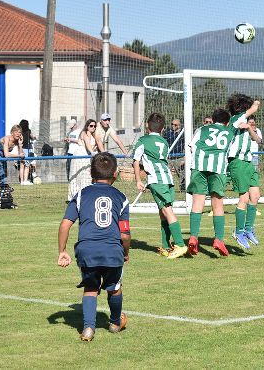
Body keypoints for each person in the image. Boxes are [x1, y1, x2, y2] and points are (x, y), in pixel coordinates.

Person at [57, 152, 130, 341]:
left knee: (91, 288)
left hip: (86, 249)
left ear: (91, 173)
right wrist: (126, 252)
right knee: (114, 287)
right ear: (115, 174)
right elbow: (124, 234)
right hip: (112, 249)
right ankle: (115, 322)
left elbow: (65, 224)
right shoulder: (121, 197)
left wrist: (62, 251)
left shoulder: (81, 194)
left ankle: (88, 329)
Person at [187, 106, 257, 257]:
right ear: (226, 122)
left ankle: (193, 237)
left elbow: (192, 147)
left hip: (198, 168)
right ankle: (218, 239)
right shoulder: (229, 131)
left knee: (197, 204)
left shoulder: (202, 129)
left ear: (212, 120)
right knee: (217, 205)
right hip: (218, 169)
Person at [132, 113, 188, 259]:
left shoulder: (143, 141)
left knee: (167, 211)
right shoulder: (164, 142)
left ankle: (180, 245)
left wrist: (138, 180)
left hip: (157, 179)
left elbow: (136, 160)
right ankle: (165, 246)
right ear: (163, 129)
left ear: (146, 126)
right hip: (167, 178)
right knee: (163, 212)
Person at [226, 95, 262, 249]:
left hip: (248, 163)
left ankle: (248, 229)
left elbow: (258, 140)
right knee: (244, 197)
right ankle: (238, 231)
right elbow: (254, 107)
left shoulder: (246, 124)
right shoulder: (235, 119)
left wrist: (249, 129)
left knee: (255, 196)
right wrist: (256, 102)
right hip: (238, 162)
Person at [0, 125, 23, 209]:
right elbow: (6, 154)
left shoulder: (17, 142)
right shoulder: (7, 139)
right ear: (12, 133)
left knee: (4, 183)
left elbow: (22, 155)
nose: (18, 133)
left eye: (19, 132)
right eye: (16, 131)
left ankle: (5, 202)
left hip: (2, 161)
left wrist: (20, 145)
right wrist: (18, 155)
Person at [68, 119, 98, 202]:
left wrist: (94, 150)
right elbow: (87, 144)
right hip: (80, 155)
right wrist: (92, 152)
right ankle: (75, 196)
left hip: (87, 157)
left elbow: (93, 146)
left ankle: (85, 195)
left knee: (87, 176)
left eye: (94, 126)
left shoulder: (94, 135)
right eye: (91, 126)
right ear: (87, 126)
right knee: (77, 175)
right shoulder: (84, 133)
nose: (93, 127)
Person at [164, 118, 185, 191]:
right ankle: (166, 188)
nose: (173, 126)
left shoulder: (183, 134)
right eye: (172, 124)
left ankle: (183, 189)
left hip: (179, 157)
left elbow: (186, 145)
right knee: (166, 173)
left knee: (181, 174)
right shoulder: (168, 133)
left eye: (175, 125)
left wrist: (185, 157)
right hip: (169, 157)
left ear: (179, 125)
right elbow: (164, 144)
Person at [18, 119, 36, 185]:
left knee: (21, 166)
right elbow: (33, 137)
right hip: (27, 149)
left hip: (21, 149)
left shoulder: (19, 132)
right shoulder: (28, 131)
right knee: (27, 166)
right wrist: (34, 137)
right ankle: (25, 180)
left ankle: (21, 181)